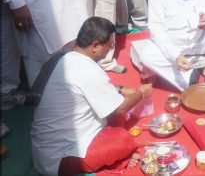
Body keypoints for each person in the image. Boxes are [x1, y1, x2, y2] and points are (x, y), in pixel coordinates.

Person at [31, 16, 153, 175]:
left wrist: (121, 89)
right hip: (60, 157)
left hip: (44, 150)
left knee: (115, 113)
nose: (110, 51)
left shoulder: (64, 56)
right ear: (95, 46)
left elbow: (88, 89)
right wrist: (141, 93)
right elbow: (120, 108)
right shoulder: (87, 69)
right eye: (109, 46)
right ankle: (121, 157)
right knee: (123, 139)